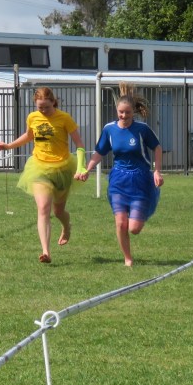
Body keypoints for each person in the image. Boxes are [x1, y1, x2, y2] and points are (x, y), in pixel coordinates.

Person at [75, 84, 164, 267]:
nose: (124, 116)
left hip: (140, 180)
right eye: (121, 112)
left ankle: (136, 215)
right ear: (117, 111)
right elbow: (99, 152)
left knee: (134, 228)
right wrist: (87, 169)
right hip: (118, 181)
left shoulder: (142, 129)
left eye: (127, 113)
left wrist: (157, 170)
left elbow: (157, 147)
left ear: (133, 112)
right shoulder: (109, 129)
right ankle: (128, 258)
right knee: (121, 223)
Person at [0, 87, 84, 264]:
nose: (43, 110)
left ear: (53, 102)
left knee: (58, 211)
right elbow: (28, 136)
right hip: (39, 168)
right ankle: (46, 251)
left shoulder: (65, 118)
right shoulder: (32, 117)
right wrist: (9, 146)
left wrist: (81, 167)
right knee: (43, 208)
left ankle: (66, 226)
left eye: (46, 107)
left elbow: (79, 144)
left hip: (62, 169)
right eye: (39, 107)